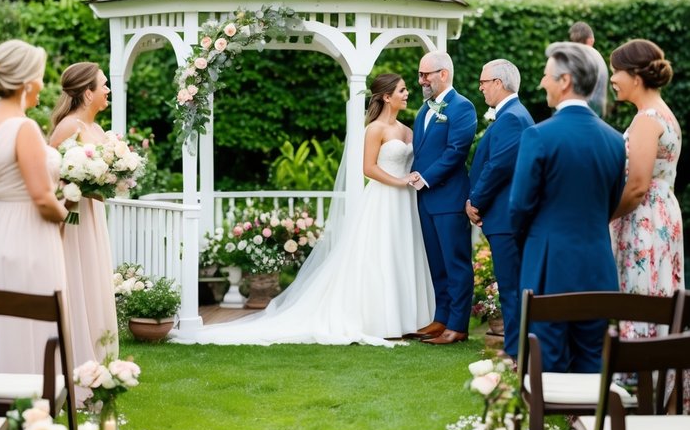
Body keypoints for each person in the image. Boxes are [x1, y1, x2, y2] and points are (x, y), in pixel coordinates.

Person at [175, 73, 434, 345]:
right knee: (379, 257)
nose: (407, 94)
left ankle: (407, 320)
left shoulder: (408, 130)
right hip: (383, 200)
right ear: (386, 96)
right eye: (402, 90)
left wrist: (412, 179)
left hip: (406, 202)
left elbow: (412, 164)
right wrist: (400, 181)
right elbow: (368, 169)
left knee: (403, 253)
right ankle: (380, 320)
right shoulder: (375, 129)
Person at [509, 41, 626, 373]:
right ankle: (590, 427)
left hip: (548, 269)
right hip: (598, 268)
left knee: (547, 368)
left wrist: (531, 245)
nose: (542, 83)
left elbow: (519, 208)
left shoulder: (539, 136)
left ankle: (548, 427)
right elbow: (610, 202)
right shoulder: (615, 140)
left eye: (547, 75)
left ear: (564, 81)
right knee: (593, 364)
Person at [0, 40, 70, 373]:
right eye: (40, 76)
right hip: (29, 236)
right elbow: (41, 198)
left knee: (4, 321)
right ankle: (36, 406)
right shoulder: (23, 127)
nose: (42, 84)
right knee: (36, 321)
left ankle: (9, 403)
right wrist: (65, 212)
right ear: (27, 81)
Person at [608, 39, 683, 334]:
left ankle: (642, 367)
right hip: (662, 212)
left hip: (645, 218)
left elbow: (638, 186)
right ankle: (658, 365)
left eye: (616, 71)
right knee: (659, 287)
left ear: (635, 78)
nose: (612, 78)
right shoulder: (665, 114)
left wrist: (608, 215)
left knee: (641, 290)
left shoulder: (646, 120)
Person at [49, 62, 118, 365]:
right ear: (88, 94)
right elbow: (49, 173)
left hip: (93, 214)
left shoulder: (97, 129)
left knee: (95, 281)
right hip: (74, 217)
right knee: (78, 280)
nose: (107, 90)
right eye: (103, 85)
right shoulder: (69, 127)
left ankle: (99, 358)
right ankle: (76, 361)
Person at [466, 59, 534, 362]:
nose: (480, 87)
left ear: (499, 82)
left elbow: (499, 166)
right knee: (512, 286)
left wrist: (475, 202)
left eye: (484, 81)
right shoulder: (512, 115)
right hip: (505, 217)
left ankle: (517, 353)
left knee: (511, 287)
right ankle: (519, 350)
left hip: (506, 217)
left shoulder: (512, 118)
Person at [409, 51, 477, 345]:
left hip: (449, 198)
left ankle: (458, 326)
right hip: (426, 200)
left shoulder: (462, 107)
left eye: (426, 74)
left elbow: (455, 152)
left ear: (444, 74)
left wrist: (424, 178)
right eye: (421, 74)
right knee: (436, 262)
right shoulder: (424, 110)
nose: (421, 80)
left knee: (456, 262)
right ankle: (441, 318)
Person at [569, 21, 609, 117]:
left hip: (581, 113)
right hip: (597, 113)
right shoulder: (597, 56)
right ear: (591, 40)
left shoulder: (578, 58)